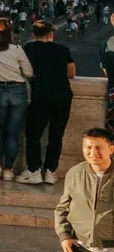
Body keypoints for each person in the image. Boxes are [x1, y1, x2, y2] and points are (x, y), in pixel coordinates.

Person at [27, 19, 78, 184]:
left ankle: (34, 170)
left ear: (34, 34)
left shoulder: (28, 48)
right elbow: (71, 73)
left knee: (34, 134)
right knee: (56, 135)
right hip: (62, 96)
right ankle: (50, 171)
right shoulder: (62, 49)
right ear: (51, 34)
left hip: (39, 95)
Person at [0, 19, 34, 179]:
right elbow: (29, 72)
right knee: (12, 133)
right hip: (17, 90)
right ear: (10, 32)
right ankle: (8, 170)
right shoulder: (16, 49)